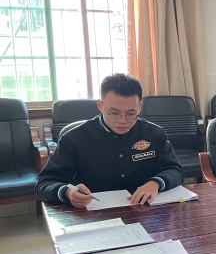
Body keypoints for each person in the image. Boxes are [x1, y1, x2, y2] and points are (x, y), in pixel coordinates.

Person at [34, 73, 184, 208]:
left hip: (143, 210)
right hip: (94, 214)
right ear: (100, 105)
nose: (123, 120)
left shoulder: (154, 133)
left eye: (131, 113)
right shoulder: (74, 138)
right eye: (114, 113)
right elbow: (44, 184)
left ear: (139, 107)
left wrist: (155, 183)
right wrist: (67, 192)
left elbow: (174, 170)